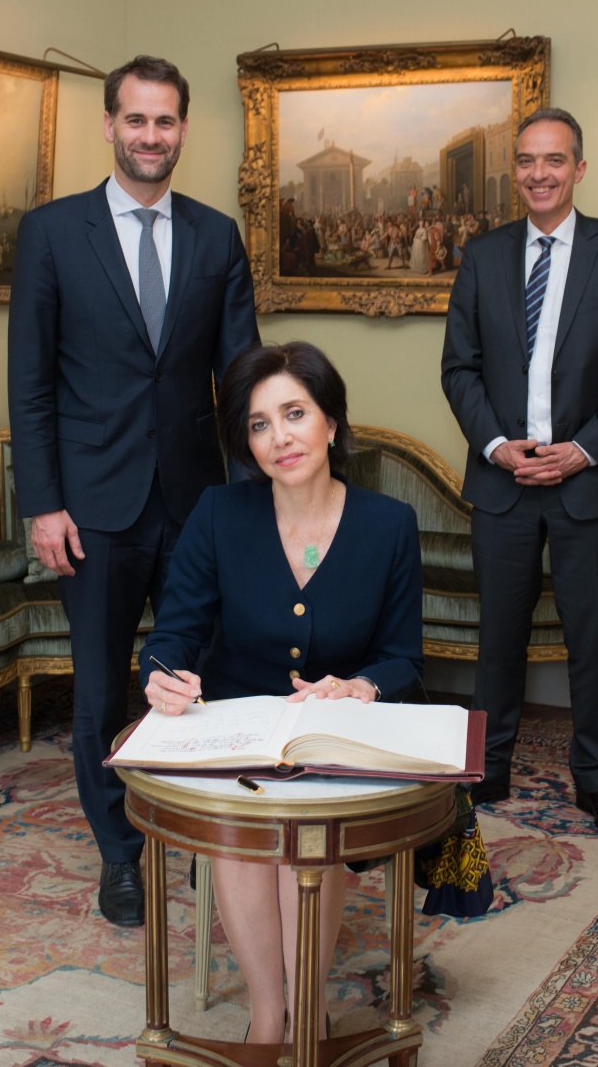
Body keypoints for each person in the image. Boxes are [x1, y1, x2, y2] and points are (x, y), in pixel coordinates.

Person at [7, 55, 260, 928]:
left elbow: (242, 378)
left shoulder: (217, 237)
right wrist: (42, 503)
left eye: (166, 121)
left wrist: (257, 495)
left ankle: (204, 835)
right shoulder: (51, 233)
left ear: (185, 128)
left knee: (204, 676)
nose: (151, 136)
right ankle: (119, 854)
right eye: (136, 120)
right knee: (99, 692)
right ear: (110, 125)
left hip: (197, 505)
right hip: (92, 508)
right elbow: (30, 382)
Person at [140, 342, 424, 1044]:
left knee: (309, 837)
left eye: (295, 413)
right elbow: (173, 633)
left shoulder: (389, 525)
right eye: (260, 423)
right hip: (238, 733)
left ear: (331, 420)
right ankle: (273, 1017)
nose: (280, 437)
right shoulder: (217, 513)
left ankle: (308, 1005)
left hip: (337, 737)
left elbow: (404, 658)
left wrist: (361, 684)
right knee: (241, 836)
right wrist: (161, 671)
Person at [440, 107, 598, 838]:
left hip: (587, 482)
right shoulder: (483, 254)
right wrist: (498, 445)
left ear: (579, 169)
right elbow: (459, 368)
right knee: (496, 633)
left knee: (590, 638)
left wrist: (583, 448)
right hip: (503, 479)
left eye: (554, 161)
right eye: (528, 161)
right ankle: (487, 767)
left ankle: (597, 780)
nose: (539, 173)